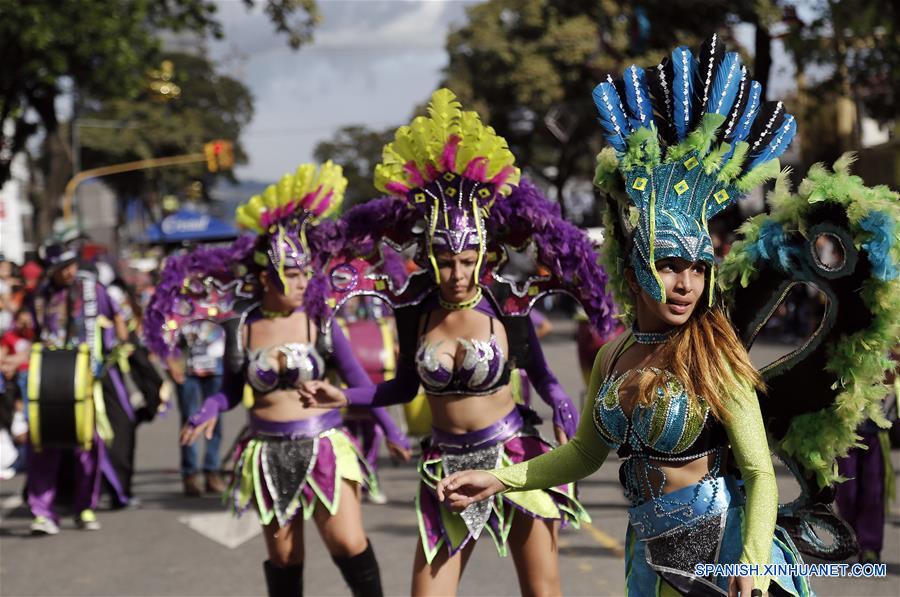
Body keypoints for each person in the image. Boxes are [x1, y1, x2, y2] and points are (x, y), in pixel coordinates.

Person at [437, 38, 813, 596]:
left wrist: (754, 561)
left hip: (727, 561)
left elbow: (759, 473)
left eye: (697, 268)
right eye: (669, 266)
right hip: (649, 562)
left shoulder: (713, 356)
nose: (685, 284)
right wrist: (498, 479)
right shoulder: (613, 355)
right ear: (637, 271)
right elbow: (585, 453)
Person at [300, 89, 616, 596]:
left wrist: (561, 403)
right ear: (430, 255)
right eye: (446, 260)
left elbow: (542, 376)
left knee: (542, 591)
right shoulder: (414, 308)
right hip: (444, 466)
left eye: (468, 260)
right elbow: (403, 388)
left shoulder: (507, 303)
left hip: (515, 456)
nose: (457, 272)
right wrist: (343, 396)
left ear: (483, 253)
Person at [145, 162, 409, 597]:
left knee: (347, 542)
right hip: (267, 451)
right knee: (285, 557)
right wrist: (208, 409)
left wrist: (391, 430)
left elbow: (361, 382)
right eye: (294, 274)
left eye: (307, 272)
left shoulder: (321, 321)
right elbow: (231, 391)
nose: (304, 282)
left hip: (323, 445)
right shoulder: (242, 326)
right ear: (268, 276)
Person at [26, 233, 131, 535]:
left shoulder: (91, 289)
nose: (70, 271)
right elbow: (31, 331)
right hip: (49, 382)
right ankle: (42, 512)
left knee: (87, 446)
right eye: (64, 268)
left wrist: (119, 344)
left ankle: (85, 507)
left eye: (72, 265)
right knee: (43, 446)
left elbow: (118, 315)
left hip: (84, 380)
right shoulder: (40, 295)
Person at [168, 319, 227, 496]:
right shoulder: (179, 304)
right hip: (187, 369)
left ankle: (212, 472)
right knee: (190, 421)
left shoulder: (221, 303)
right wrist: (170, 362)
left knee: (214, 422)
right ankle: (190, 474)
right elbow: (165, 330)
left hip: (216, 368)